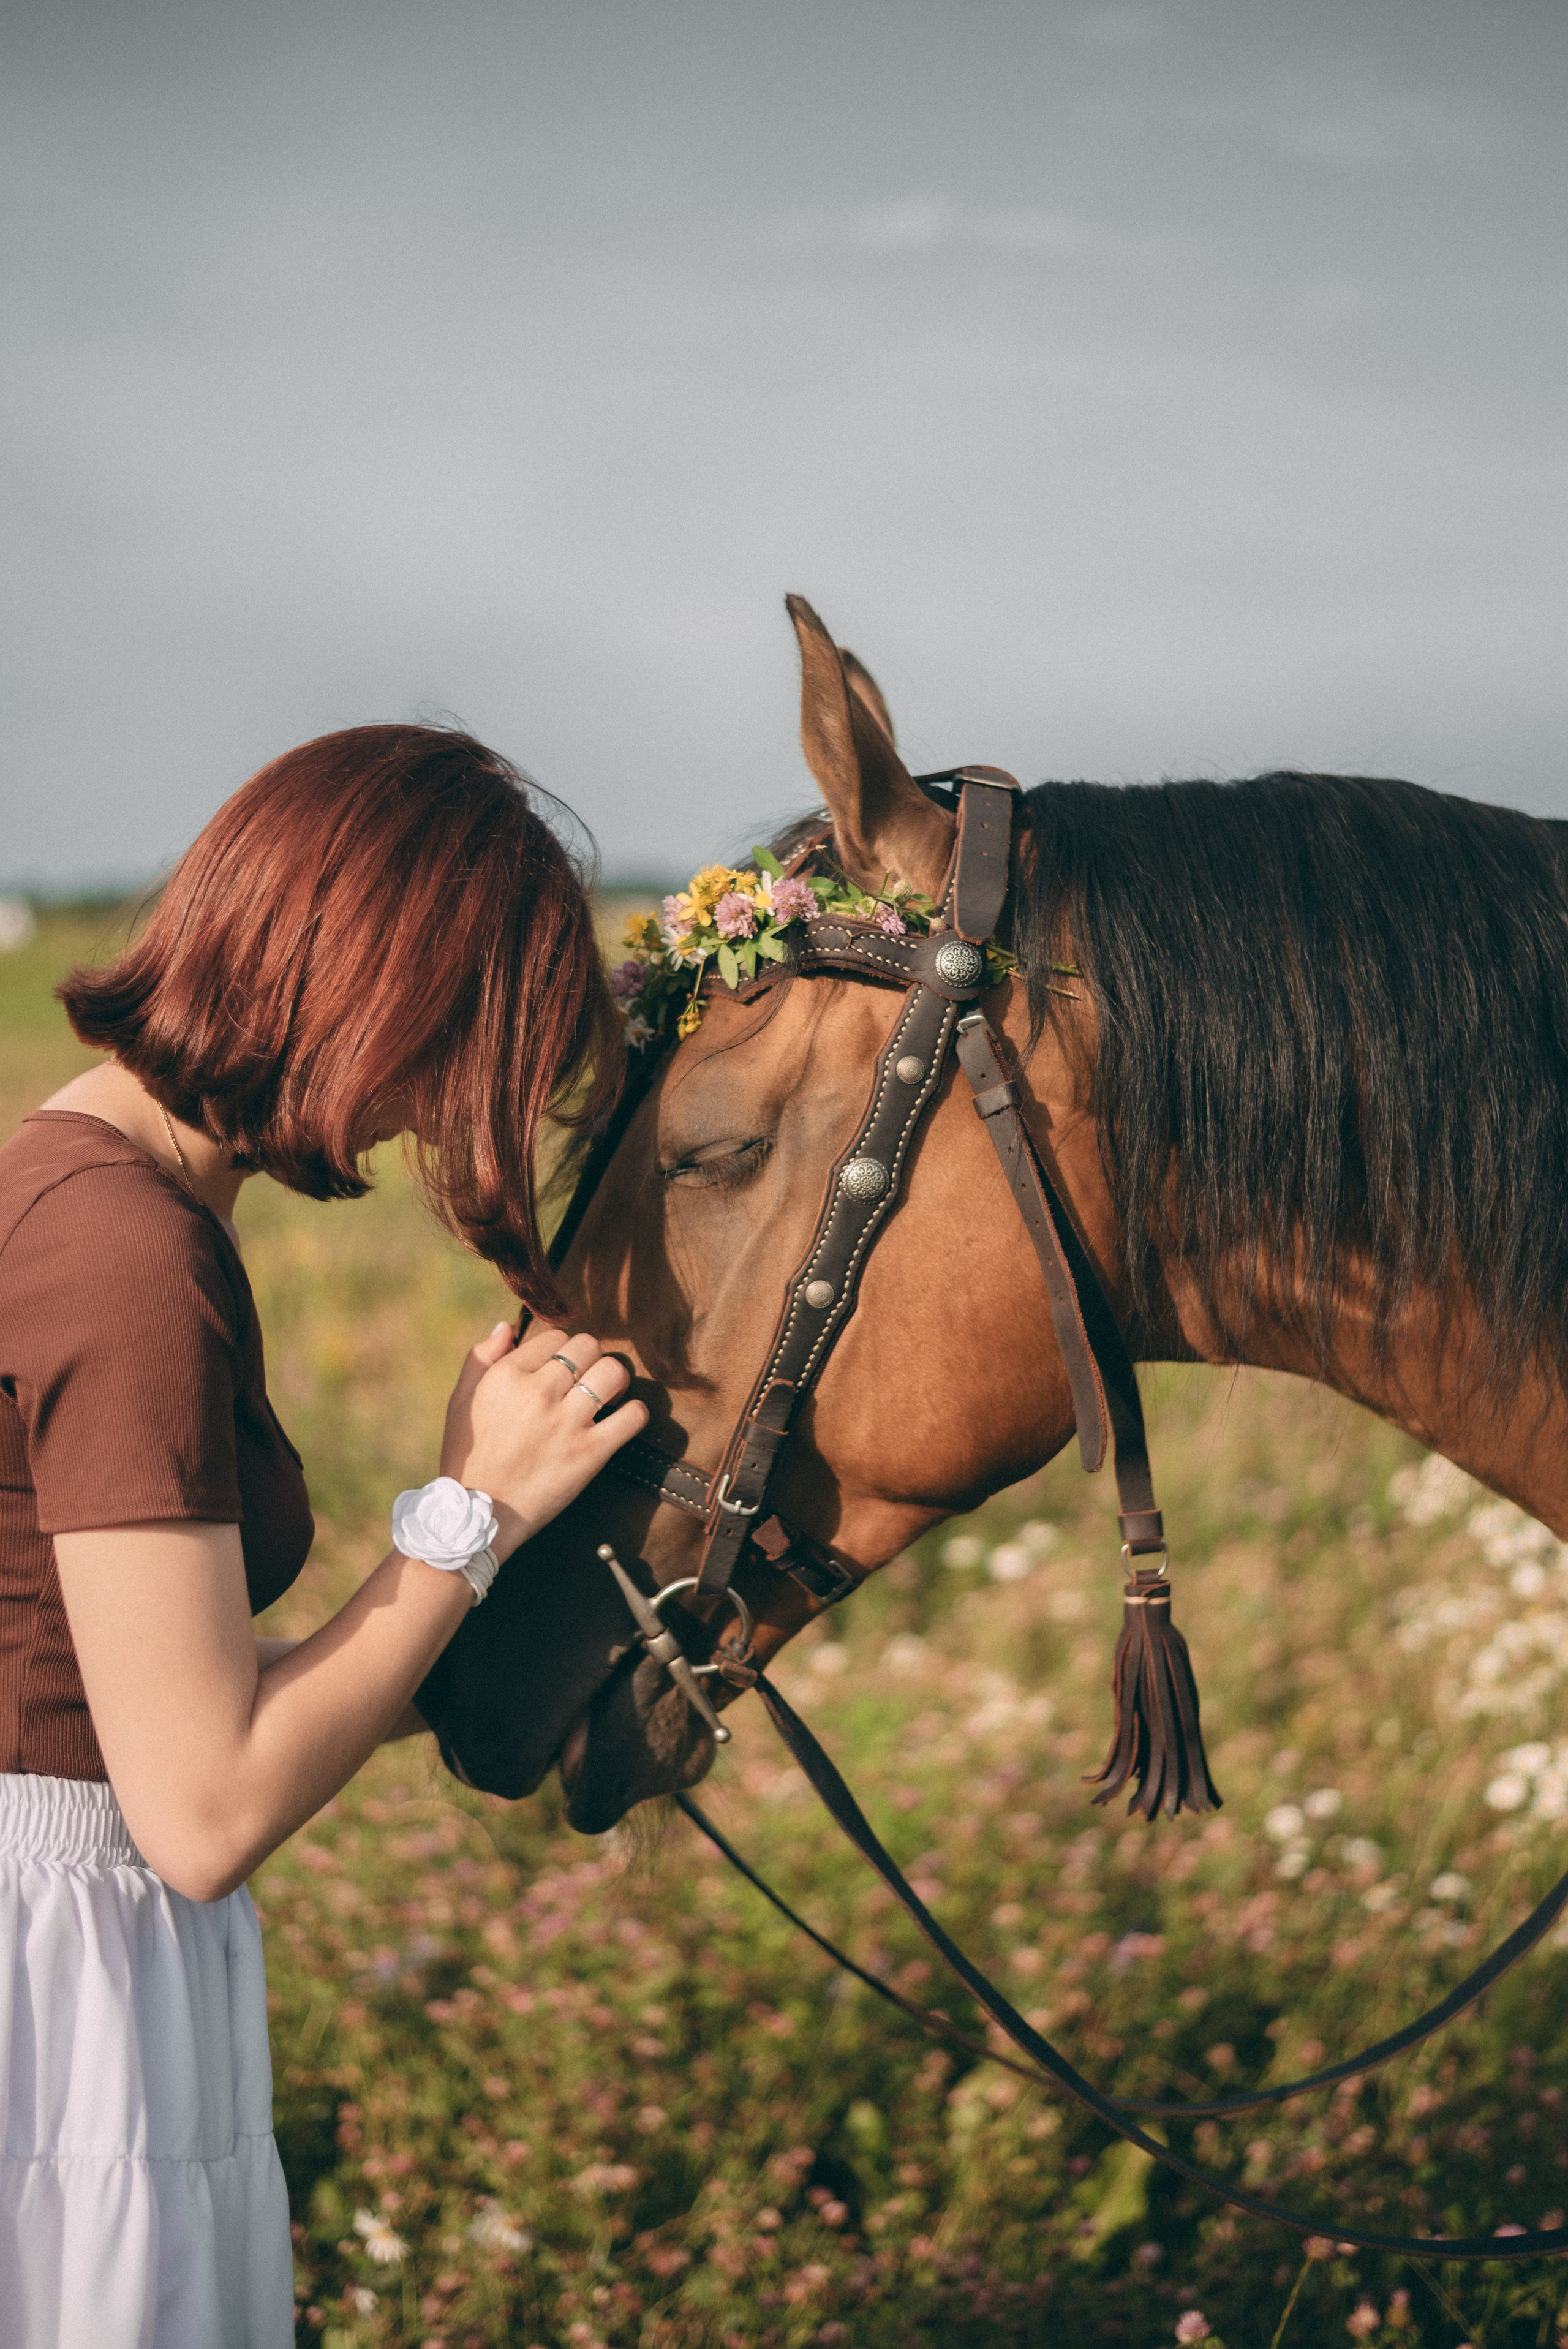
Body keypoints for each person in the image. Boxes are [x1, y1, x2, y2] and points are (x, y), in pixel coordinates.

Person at [0, 725, 646, 2347]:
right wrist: (471, 1514)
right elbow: (202, 1806)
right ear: (367, 990)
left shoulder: (73, 1186)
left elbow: (131, 1684)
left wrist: (479, 1623)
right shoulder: (126, 1259)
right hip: (64, 1990)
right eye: (461, 1053)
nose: (450, 1118)